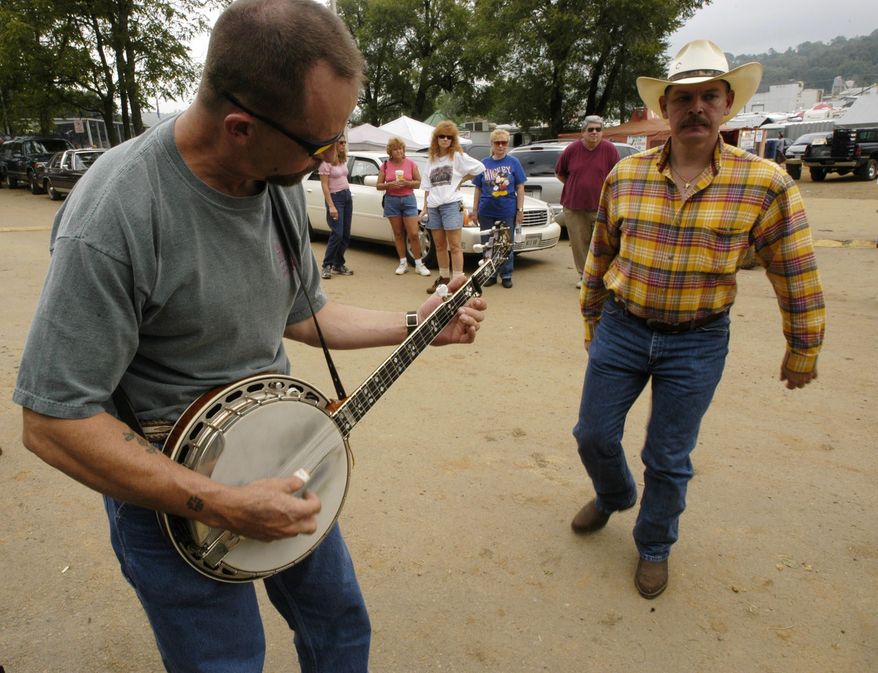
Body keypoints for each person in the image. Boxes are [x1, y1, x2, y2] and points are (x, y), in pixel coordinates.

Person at [11, 1, 487, 671]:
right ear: (240, 126)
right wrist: (227, 502)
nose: (334, 156)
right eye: (321, 145)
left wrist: (418, 326)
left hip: (288, 458)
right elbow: (53, 420)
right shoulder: (115, 213)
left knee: (341, 629)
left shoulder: (276, 174)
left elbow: (300, 311)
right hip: (174, 501)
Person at [571, 39, 825, 599]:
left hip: (698, 340)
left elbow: (795, 268)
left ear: (727, 104)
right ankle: (614, 495)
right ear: (665, 107)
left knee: (667, 455)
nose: (696, 108)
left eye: (709, 96)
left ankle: (655, 545)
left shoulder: (765, 184)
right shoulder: (627, 176)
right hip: (623, 324)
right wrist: (592, 319)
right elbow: (601, 256)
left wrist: (802, 346)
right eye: (683, 98)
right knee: (592, 435)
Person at [419, 120, 485, 293]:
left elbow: (480, 167)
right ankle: (444, 278)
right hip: (434, 206)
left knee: (455, 245)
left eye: (449, 137)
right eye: (442, 136)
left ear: (453, 139)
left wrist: (462, 179)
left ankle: (458, 281)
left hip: (451, 204)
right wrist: (425, 207)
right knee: (439, 245)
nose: (445, 140)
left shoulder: (457, 156)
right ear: (436, 138)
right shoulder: (431, 160)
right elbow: (427, 186)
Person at [554, 115, 620, 288]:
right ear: (583, 132)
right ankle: (584, 276)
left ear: (602, 132)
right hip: (575, 206)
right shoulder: (571, 150)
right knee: (579, 243)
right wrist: (577, 186)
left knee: (602, 243)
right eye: (590, 129)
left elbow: (617, 176)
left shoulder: (610, 149)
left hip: (602, 207)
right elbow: (561, 173)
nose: (594, 132)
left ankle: (601, 276)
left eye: (598, 129)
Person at [470, 128, 526, 288]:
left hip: (507, 210)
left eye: (504, 143)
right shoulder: (484, 164)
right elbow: (478, 188)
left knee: (506, 244)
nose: (501, 146)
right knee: (488, 245)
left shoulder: (514, 162)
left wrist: (520, 210)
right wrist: (474, 210)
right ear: (492, 144)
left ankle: (506, 274)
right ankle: (490, 274)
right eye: (497, 143)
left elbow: (520, 187)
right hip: (486, 211)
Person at [376, 136, 431, 276]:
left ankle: (419, 264)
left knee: (413, 233)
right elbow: (378, 185)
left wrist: (407, 183)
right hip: (391, 200)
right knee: (398, 233)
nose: (398, 151)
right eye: (395, 149)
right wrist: (389, 185)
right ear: (390, 151)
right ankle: (403, 262)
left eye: (400, 148)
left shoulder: (411, 164)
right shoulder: (385, 166)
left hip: (408, 199)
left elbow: (419, 183)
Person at [319, 136, 354, 279]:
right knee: (337, 233)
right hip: (335, 198)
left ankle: (338, 263)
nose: (343, 145)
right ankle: (326, 265)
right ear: (332, 144)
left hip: (346, 196)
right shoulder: (325, 162)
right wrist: (331, 206)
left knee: (345, 234)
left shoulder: (342, 159)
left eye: (344, 142)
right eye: (340, 142)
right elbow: (324, 185)